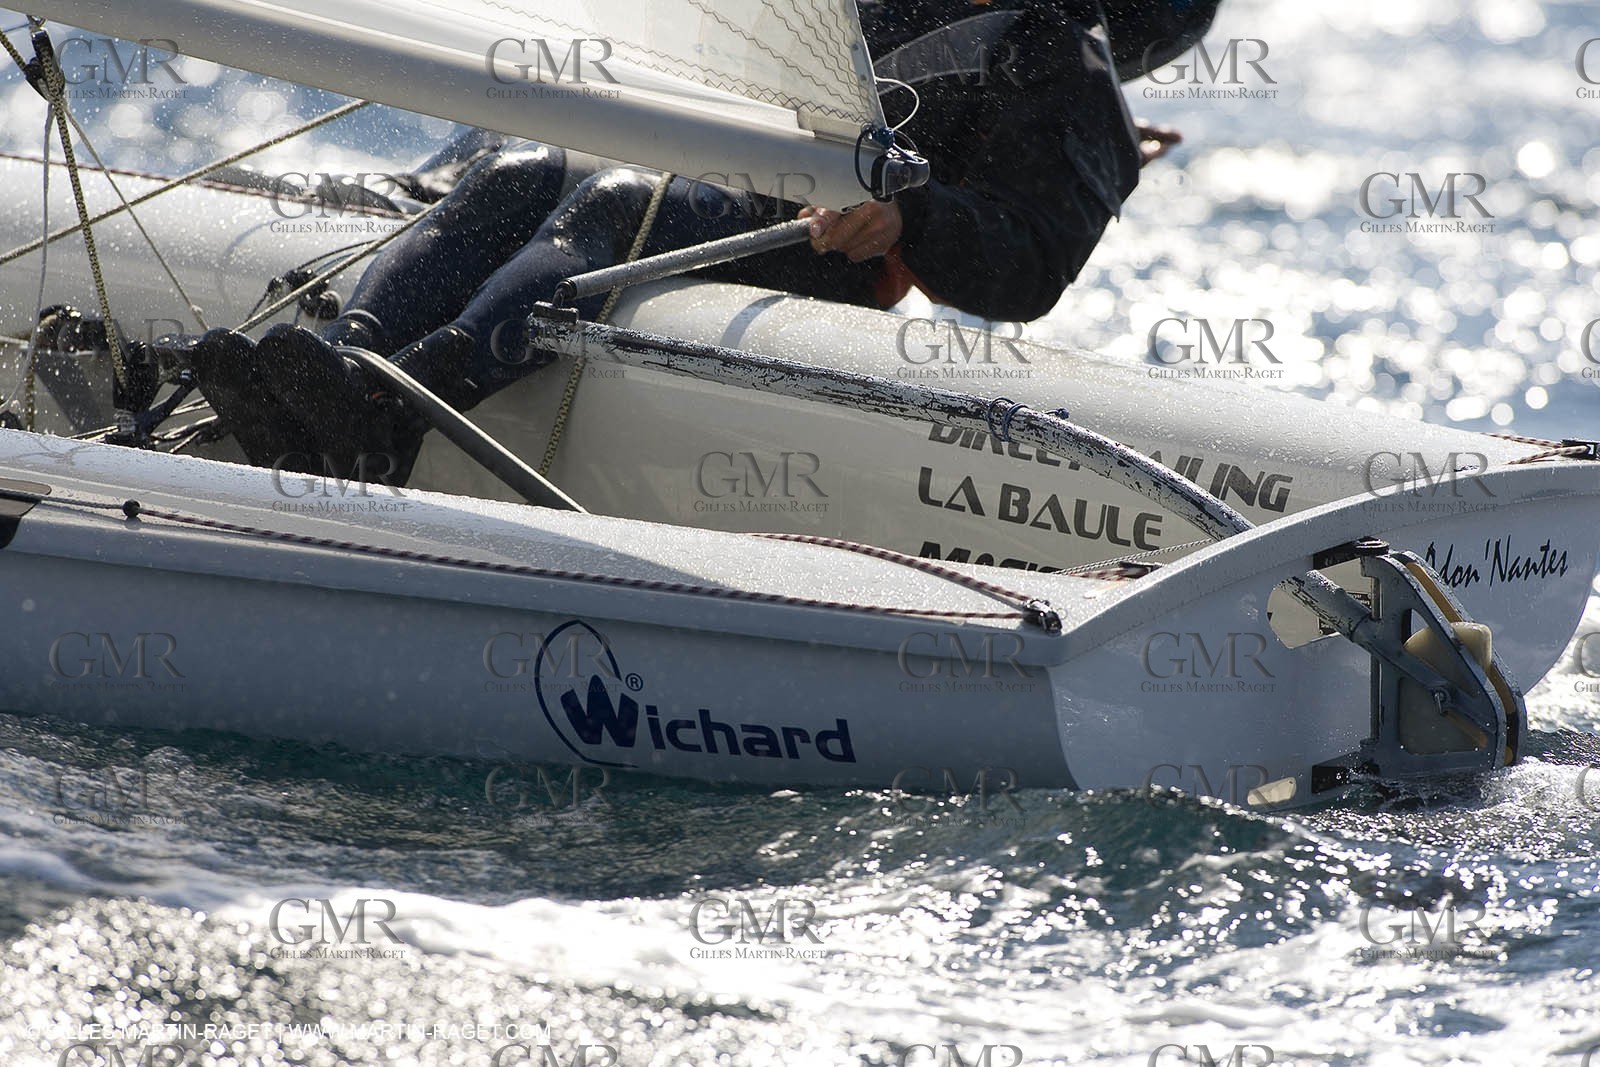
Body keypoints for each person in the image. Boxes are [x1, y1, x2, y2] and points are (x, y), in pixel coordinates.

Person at [181, 0, 1220, 483]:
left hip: (814, 256)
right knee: (512, 177)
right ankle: (322, 370)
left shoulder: (1063, 69)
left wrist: (912, 216)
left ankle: (383, 413)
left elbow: (1031, 265)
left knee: (620, 201)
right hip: (686, 182)